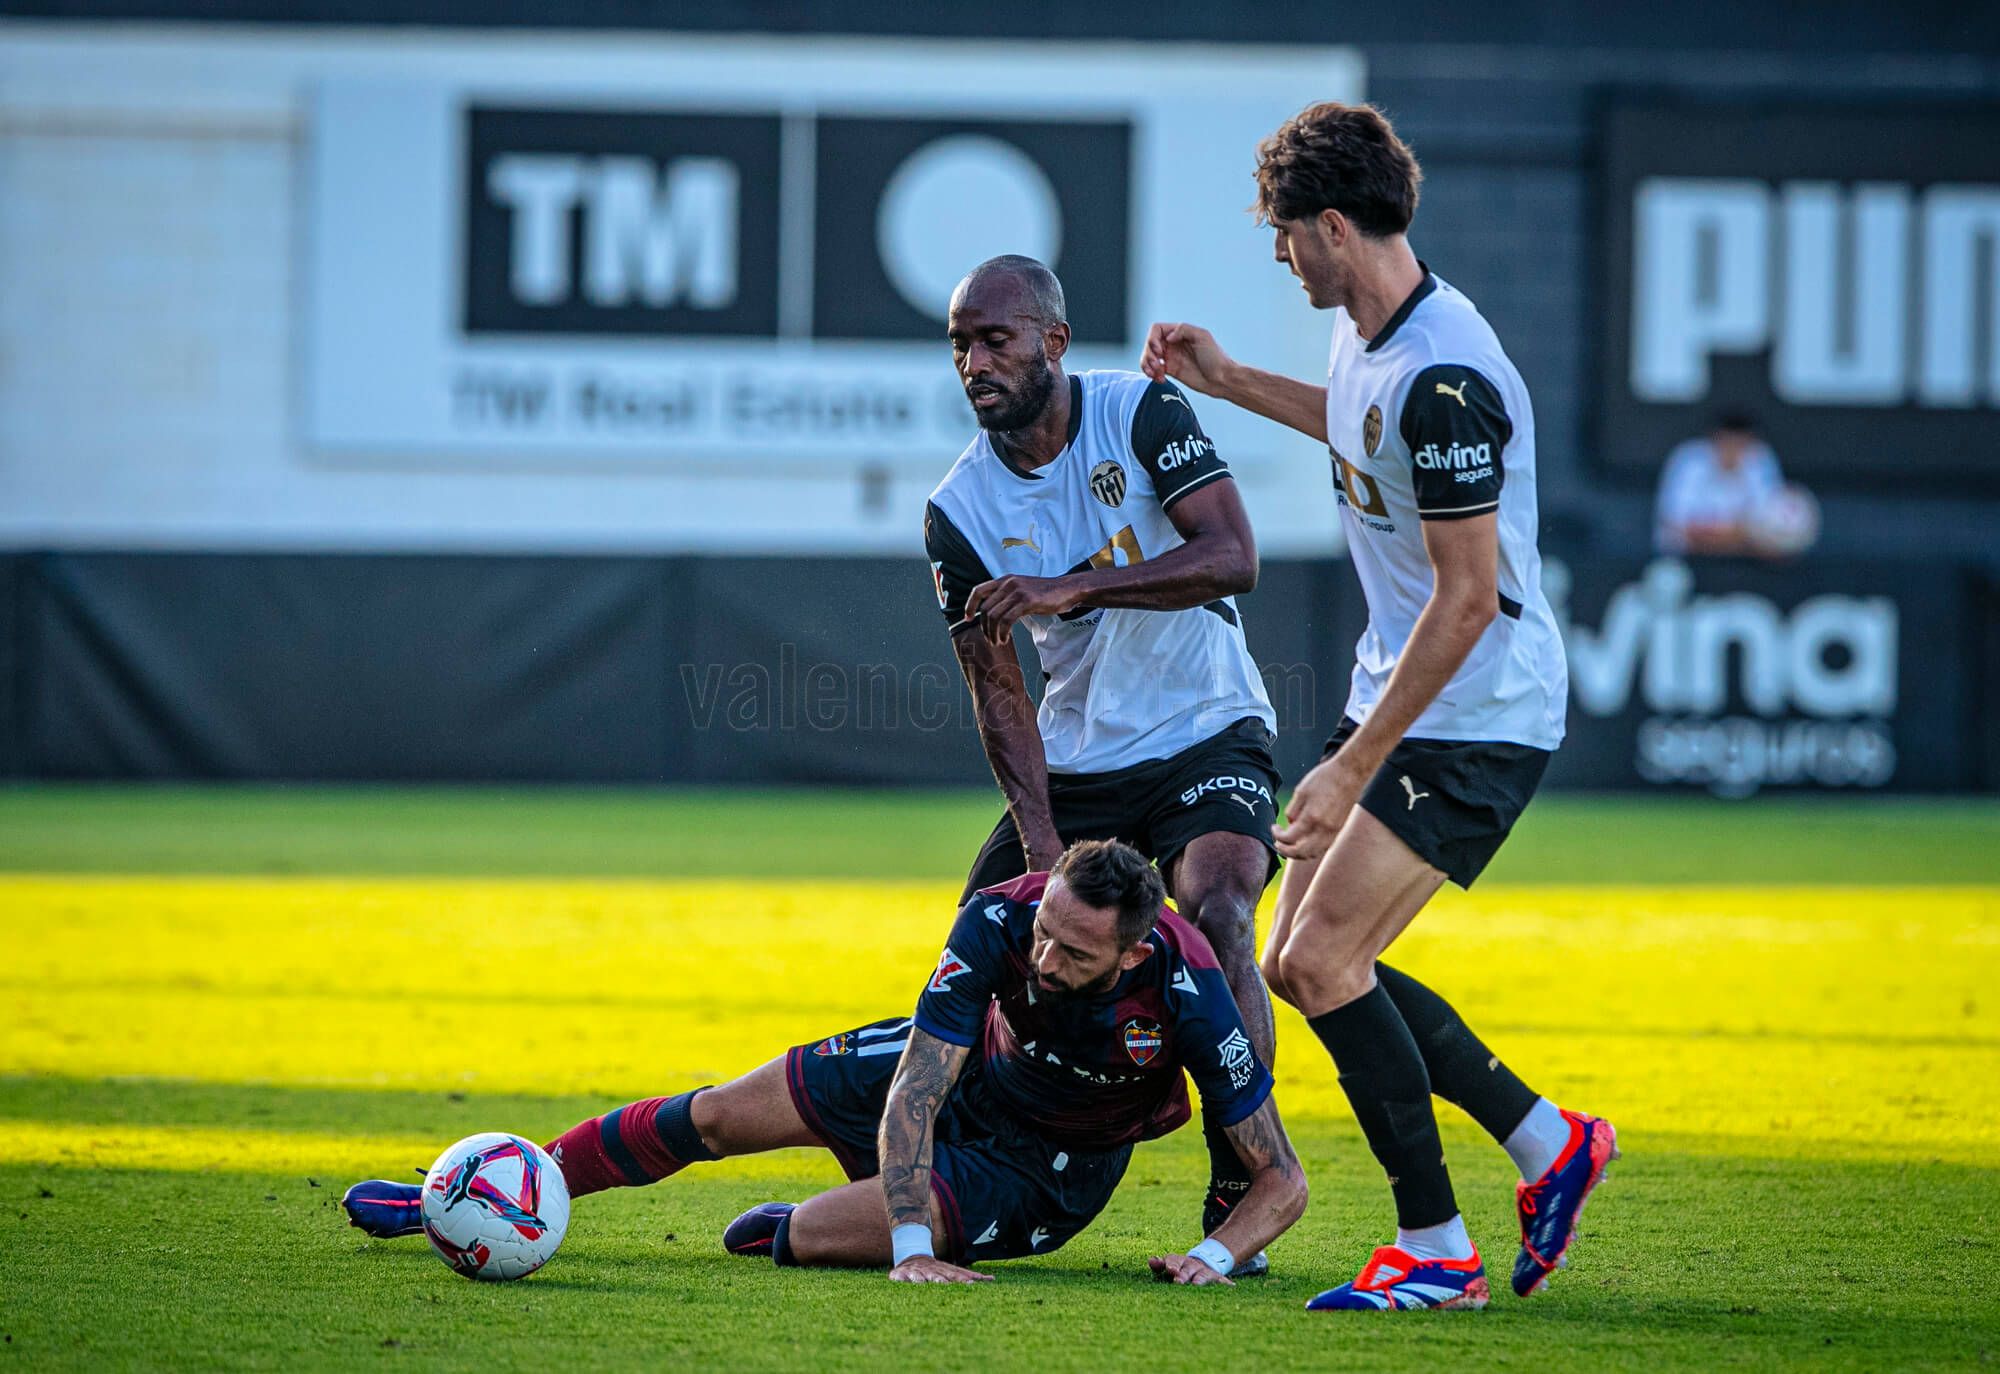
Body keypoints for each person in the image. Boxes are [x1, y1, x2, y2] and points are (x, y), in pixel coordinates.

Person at [1141, 101, 1616, 1312]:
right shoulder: (1377, 337)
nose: (1278, 254)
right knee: (1310, 967)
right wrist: (1231, 380)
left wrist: (1354, 764)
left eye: (1284, 235)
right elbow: (1359, 428)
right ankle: (1545, 1145)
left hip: (1477, 710)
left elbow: (1463, 603)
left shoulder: (1444, 374)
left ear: (1334, 227)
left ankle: (1435, 1246)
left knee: (1319, 956)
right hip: (1414, 700)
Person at [344, 840, 1306, 1285]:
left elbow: (1283, 1179)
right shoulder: (1005, 917)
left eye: (1073, 954)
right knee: (718, 1114)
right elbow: (919, 1087)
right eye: (1046, 932)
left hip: (1042, 1167)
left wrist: (1216, 1257)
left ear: (1133, 955)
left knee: (809, 1234)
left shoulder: (1185, 992)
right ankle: (496, 1186)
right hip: (964, 1078)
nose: (1045, 958)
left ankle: (796, 1229)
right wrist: (914, 1252)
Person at [925, 254, 1285, 1258]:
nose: (974, 361)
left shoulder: (1139, 414)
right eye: (959, 344)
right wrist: (1043, 856)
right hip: (1084, 759)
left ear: (1052, 340)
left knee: (1218, 908)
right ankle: (965, 1157)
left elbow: (1231, 558)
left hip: (1204, 724)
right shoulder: (959, 511)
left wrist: (1069, 588)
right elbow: (997, 694)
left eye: (993, 338)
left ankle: (1238, 1182)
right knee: (983, 935)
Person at [1653, 412, 1791, 556]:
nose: (1733, 450)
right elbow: (1675, 523)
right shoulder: (1690, 459)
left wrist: (1733, 537)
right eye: (1727, 442)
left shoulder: (1760, 458)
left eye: (1741, 443)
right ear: (1714, 439)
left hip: (1746, 559)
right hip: (1688, 557)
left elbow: (1770, 523)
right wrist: (1737, 535)